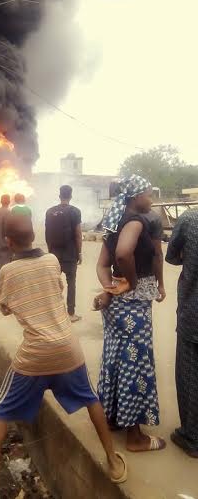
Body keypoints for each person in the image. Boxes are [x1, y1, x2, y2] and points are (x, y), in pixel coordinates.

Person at [0, 215, 127, 499]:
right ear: (35, 236)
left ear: (8, 242)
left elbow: (5, 308)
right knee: (90, 399)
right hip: (68, 349)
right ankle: (113, 460)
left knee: (0, 412)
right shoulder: (52, 261)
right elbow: (57, 291)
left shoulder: (7, 271)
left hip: (34, 357)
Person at [95, 175, 166, 452]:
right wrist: (133, 283)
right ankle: (135, 437)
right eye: (149, 193)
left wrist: (111, 288)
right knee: (134, 362)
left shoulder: (115, 222)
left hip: (119, 304)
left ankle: (113, 417)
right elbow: (124, 254)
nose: (151, 198)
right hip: (133, 306)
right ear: (136, 197)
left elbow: (102, 265)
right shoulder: (136, 221)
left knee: (116, 357)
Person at [166, 209, 198, 457]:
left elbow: (171, 256)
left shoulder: (190, 219)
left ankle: (192, 437)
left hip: (193, 313)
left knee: (189, 374)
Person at [45, 185, 82, 322]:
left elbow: (47, 234)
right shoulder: (75, 212)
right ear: (70, 196)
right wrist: (79, 253)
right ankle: (71, 314)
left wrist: (50, 252)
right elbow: (78, 235)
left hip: (54, 254)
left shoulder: (49, 212)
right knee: (71, 283)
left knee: (53, 284)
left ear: (59, 196)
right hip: (70, 254)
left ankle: (53, 314)